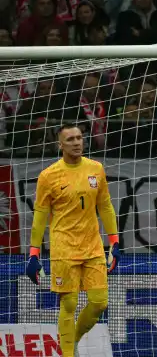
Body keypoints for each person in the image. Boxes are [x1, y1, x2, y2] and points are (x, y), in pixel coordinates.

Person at [25, 124, 121, 357]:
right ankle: (67, 353)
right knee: (68, 304)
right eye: (70, 139)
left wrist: (114, 241)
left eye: (79, 138)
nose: (76, 142)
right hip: (63, 247)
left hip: (92, 245)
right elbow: (39, 216)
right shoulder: (48, 176)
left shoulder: (96, 168)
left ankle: (72, 341)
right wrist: (34, 253)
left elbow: (105, 206)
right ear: (60, 145)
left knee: (99, 302)